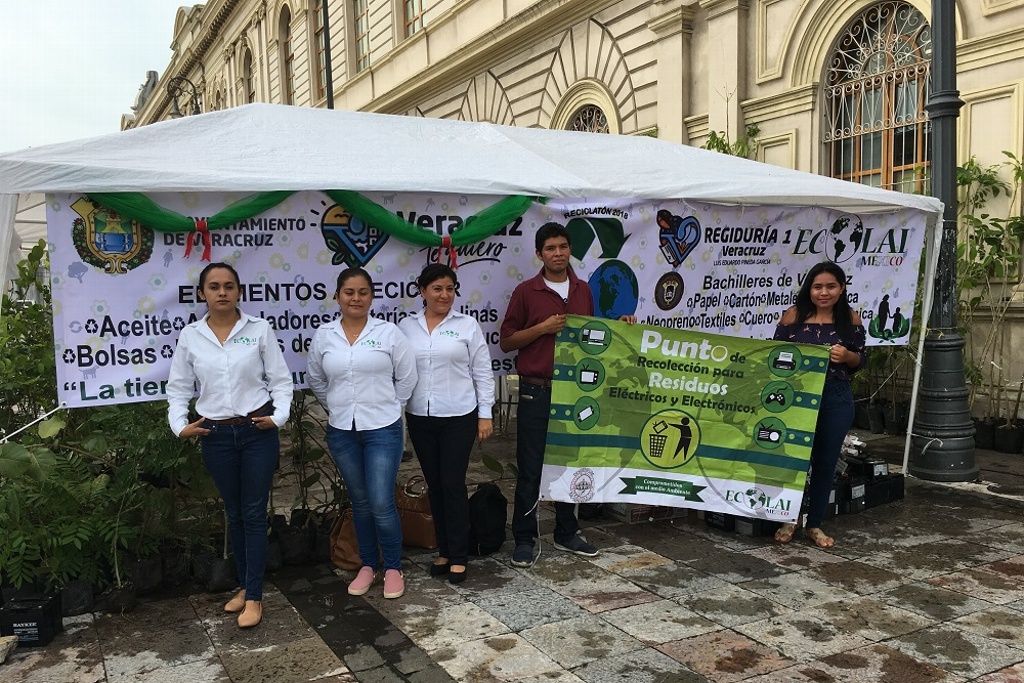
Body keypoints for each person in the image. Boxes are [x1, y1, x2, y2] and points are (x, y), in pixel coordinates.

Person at [500, 222, 635, 567]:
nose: (557, 253)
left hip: (575, 392)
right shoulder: (526, 292)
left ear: (569, 249)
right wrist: (541, 329)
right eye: (550, 248)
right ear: (539, 254)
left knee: (569, 463)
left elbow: (594, 338)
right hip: (536, 390)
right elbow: (507, 340)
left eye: (562, 247)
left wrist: (622, 326)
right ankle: (525, 538)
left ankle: (566, 531)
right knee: (531, 467)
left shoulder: (583, 290)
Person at [166, 262, 293, 629]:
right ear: (202, 293)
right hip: (215, 436)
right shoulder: (191, 336)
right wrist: (179, 426)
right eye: (214, 286)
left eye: (229, 286)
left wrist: (279, 417)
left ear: (239, 292)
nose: (222, 292)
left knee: (253, 514)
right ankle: (245, 585)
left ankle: (254, 597)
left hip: (256, 432)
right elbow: (177, 389)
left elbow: (281, 381)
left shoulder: (258, 330)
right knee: (234, 513)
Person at [307, 267, 417, 599]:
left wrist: (386, 406)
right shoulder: (325, 335)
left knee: (382, 502)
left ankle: (394, 567)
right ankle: (368, 565)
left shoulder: (388, 333)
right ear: (337, 296)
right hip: (342, 431)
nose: (356, 298)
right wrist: (340, 407)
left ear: (371, 296)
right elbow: (317, 380)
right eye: (349, 292)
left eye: (363, 292)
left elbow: (407, 378)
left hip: (383, 428)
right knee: (361, 503)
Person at [398, 264, 495, 584]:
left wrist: (485, 414)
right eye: (437, 288)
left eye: (450, 288)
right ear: (422, 291)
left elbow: (482, 372)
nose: (444, 295)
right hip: (420, 417)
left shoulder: (466, 326)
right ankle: (443, 548)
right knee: (435, 484)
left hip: (459, 416)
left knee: (452, 483)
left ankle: (458, 554)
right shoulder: (405, 327)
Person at [772, 261, 866, 548]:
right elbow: (774, 357)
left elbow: (862, 360)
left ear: (842, 288)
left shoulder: (851, 320)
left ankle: (814, 524)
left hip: (835, 397)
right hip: (796, 398)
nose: (823, 292)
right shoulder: (792, 317)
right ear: (809, 289)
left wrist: (847, 356)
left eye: (830, 286)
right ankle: (789, 518)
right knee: (795, 459)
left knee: (825, 462)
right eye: (817, 287)